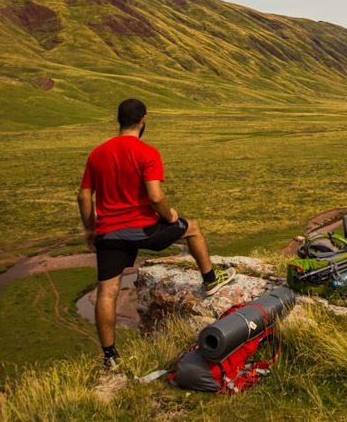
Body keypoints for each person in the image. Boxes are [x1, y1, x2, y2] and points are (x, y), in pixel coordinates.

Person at [78, 98, 235, 370]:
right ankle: (211, 279)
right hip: (144, 229)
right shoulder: (147, 152)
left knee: (107, 291)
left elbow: (83, 196)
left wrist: (90, 229)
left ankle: (110, 356)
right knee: (193, 228)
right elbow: (155, 196)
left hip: (110, 232)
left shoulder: (97, 153)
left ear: (118, 120)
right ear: (143, 120)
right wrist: (169, 216)